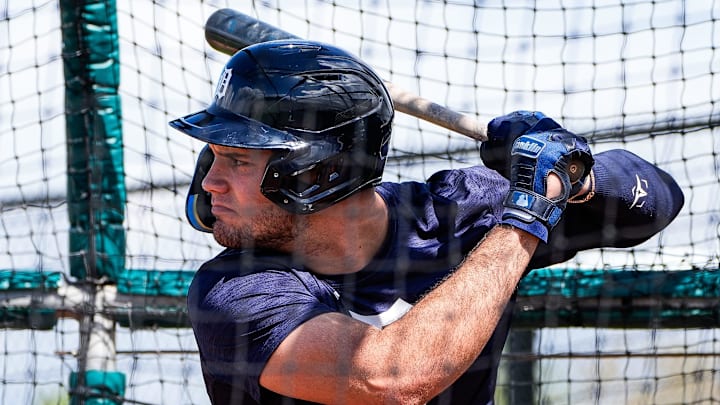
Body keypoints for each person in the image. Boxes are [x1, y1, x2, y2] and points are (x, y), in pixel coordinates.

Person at [170, 39, 684, 404]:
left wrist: (572, 174)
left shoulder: (460, 211)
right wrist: (528, 215)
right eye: (214, 157)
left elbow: (656, 203)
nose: (211, 182)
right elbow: (389, 381)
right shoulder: (236, 289)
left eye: (238, 161)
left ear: (319, 172)